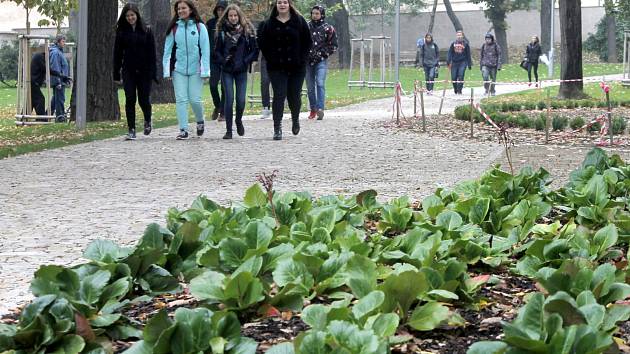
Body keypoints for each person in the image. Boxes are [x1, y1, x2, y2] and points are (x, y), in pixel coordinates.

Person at [257, 0, 312, 140]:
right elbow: (262, 43)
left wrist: (302, 59)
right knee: (279, 95)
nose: (282, 5)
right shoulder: (268, 24)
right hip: (277, 67)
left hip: (296, 67)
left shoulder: (299, 21)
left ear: (289, 4)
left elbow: (307, 42)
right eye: (279, 2)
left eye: (285, 2)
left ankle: (295, 119)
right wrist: (271, 57)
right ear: (276, 5)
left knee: (294, 96)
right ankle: (277, 127)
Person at [163, 0, 210, 140]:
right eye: (178, 9)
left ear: (190, 9)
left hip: (196, 70)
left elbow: (205, 50)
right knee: (181, 100)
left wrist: (205, 71)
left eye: (183, 8)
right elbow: (167, 51)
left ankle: (200, 120)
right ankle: (183, 130)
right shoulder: (174, 29)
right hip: (179, 70)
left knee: (195, 100)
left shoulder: (200, 27)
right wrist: (167, 71)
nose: (180, 11)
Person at [114, 3, 157, 140]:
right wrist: (116, 73)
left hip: (144, 71)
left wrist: (153, 72)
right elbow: (117, 53)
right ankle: (131, 129)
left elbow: (152, 53)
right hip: (129, 70)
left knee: (144, 99)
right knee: (130, 98)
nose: (130, 18)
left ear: (137, 15)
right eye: (127, 16)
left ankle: (147, 120)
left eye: (132, 15)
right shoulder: (121, 32)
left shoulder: (147, 30)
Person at [214, 4, 258, 139]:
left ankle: (238, 120)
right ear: (227, 16)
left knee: (240, 100)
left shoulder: (247, 31)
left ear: (239, 16)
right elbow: (216, 51)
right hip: (227, 70)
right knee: (229, 99)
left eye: (235, 15)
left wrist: (245, 61)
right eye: (230, 16)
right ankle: (228, 130)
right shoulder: (221, 31)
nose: (233, 18)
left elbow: (255, 51)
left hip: (241, 69)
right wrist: (223, 61)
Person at [305, 4, 337, 120]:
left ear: (322, 14)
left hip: (321, 61)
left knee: (320, 83)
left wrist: (322, 54)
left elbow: (333, 46)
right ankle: (313, 108)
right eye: (313, 13)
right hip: (307, 62)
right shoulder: (306, 27)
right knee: (309, 87)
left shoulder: (328, 28)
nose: (315, 15)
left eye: (317, 13)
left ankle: (320, 109)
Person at [206, 0, 226, 121]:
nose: (220, 12)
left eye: (222, 9)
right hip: (213, 59)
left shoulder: (230, 22)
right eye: (218, 9)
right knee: (213, 85)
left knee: (224, 87)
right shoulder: (210, 23)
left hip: (226, 59)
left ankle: (223, 112)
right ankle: (217, 106)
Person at [49, 34, 70, 122]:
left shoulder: (59, 52)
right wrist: (58, 82)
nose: (64, 43)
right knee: (60, 99)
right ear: (58, 42)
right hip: (59, 81)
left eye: (64, 41)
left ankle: (47, 115)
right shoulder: (55, 52)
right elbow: (55, 67)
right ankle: (60, 118)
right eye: (63, 41)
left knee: (56, 99)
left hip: (62, 80)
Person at [446, 30, 472, 95]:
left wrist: (469, 64)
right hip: (454, 62)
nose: (459, 36)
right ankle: (455, 89)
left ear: (462, 36)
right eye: (458, 35)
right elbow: (450, 53)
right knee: (454, 77)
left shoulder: (465, 44)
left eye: (460, 35)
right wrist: (448, 61)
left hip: (463, 62)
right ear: (456, 36)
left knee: (461, 75)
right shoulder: (453, 44)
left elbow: (468, 54)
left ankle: (460, 90)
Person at [30, 51, 46, 116]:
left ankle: (24, 115)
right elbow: (44, 69)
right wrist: (59, 74)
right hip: (34, 82)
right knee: (41, 99)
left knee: (31, 101)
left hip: (33, 82)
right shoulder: (39, 57)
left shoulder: (38, 56)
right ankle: (41, 118)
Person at [259, 55, 271, 119]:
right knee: (264, 82)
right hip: (266, 57)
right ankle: (266, 107)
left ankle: (279, 108)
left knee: (278, 83)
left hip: (279, 56)